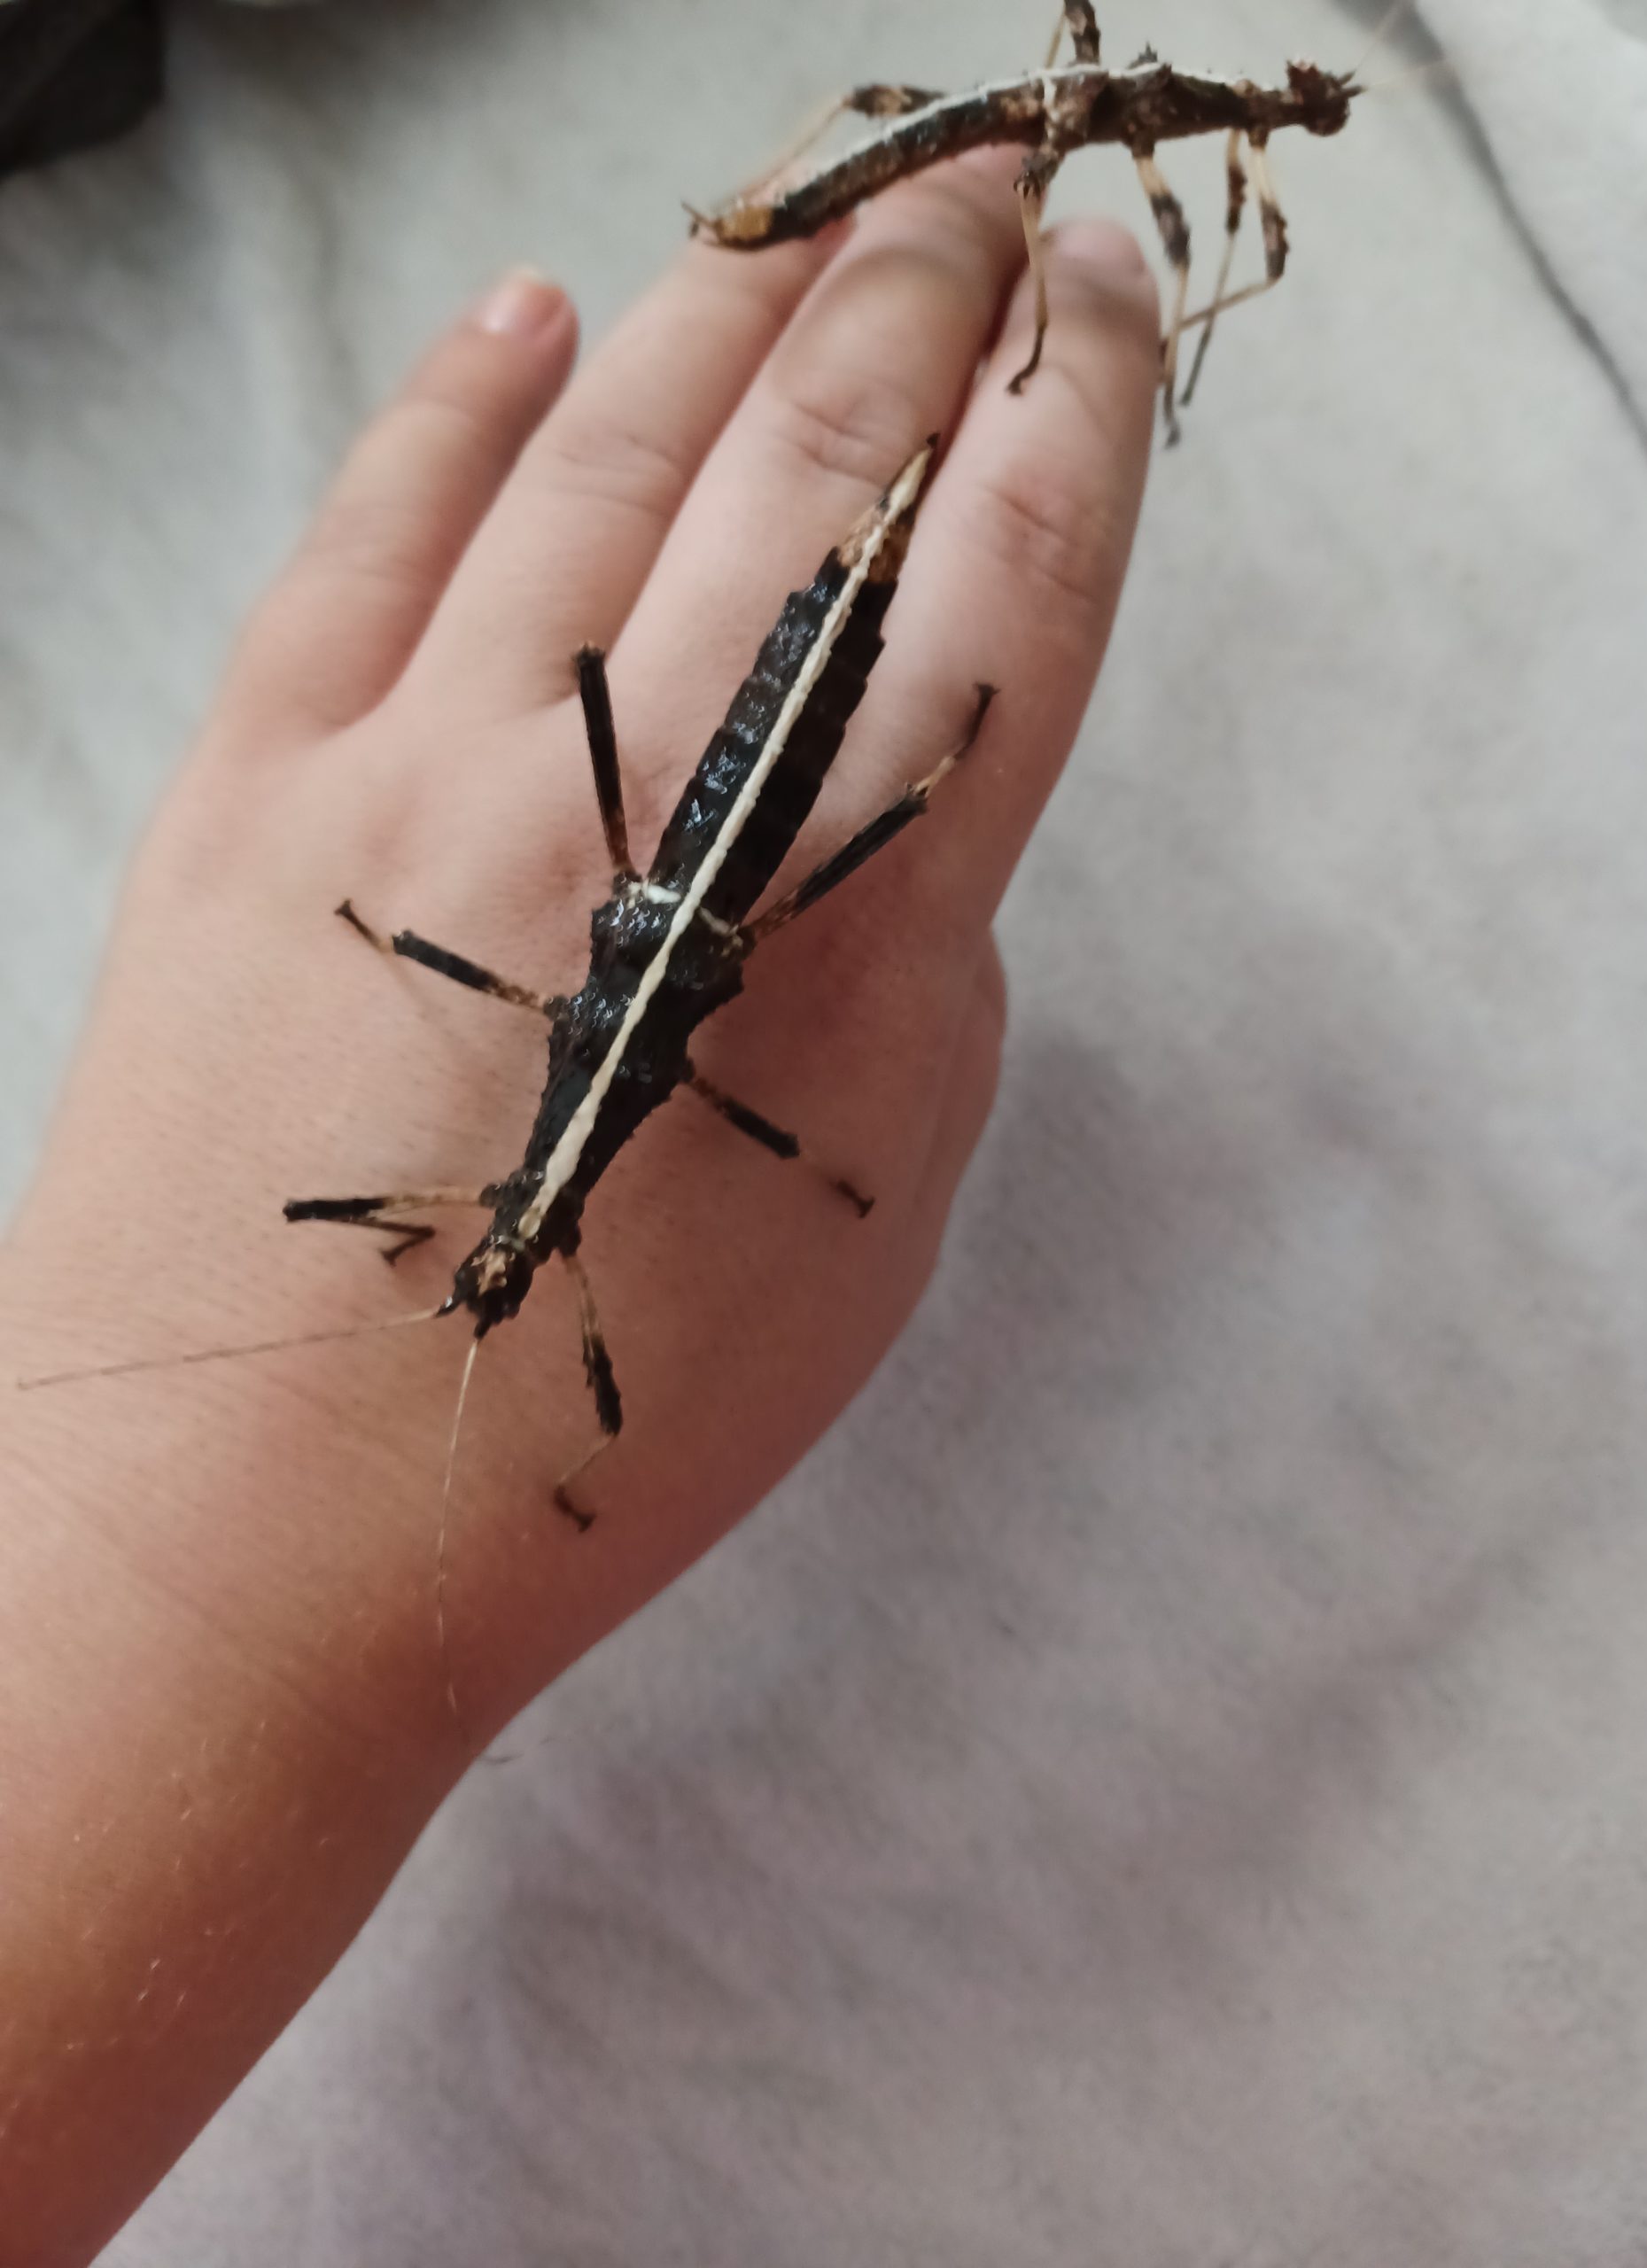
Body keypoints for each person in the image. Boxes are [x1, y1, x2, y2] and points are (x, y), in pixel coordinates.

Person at [0, 151, 1158, 2263]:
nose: (505, 1267)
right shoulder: (556, 1167)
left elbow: (549, 1276)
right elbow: (508, 1275)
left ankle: (898, 620)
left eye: (500, 1257)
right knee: (775, 801)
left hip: (722, 816)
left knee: (816, 772)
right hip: (684, 879)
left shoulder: (582, 1161)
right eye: (510, 1265)